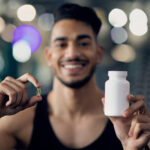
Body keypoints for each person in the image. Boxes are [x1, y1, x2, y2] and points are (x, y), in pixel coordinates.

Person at [0, 3, 150, 150]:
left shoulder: (130, 124)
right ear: (48, 56)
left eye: (83, 43)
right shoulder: (19, 122)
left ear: (98, 54)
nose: (72, 53)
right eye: (61, 44)